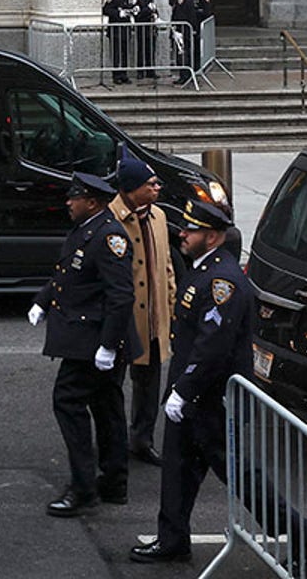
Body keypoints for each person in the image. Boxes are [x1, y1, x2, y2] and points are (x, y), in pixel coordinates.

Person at [131, 201, 307, 571]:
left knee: (237, 473)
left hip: (213, 399)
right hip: (194, 394)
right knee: (178, 467)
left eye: (191, 230)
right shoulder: (204, 270)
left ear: (213, 236)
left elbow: (213, 346)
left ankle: (302, 532)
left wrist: (184, 391)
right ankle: (172, 538)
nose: (182, 235)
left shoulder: (223, 281)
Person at [30, 172, 136, 517]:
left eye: (73, 197)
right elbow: (68, 273)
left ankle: (83, 487)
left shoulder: (108, 237)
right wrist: (44, 300)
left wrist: (107, 346)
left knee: (68, 401)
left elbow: (120, 297)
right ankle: (113, 481)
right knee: (106, 407)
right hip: (90, 338)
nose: (67, 202)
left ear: (91, 201)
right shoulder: (86, 229)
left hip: (94, 341)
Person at [110, 151, 175, 466]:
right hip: (123, 321)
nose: (157, 188)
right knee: (111, 385)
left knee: (149, 385)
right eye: (150, 184)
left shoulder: (159, 217)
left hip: (153, 319)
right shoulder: (111, 219)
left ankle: (142, 439)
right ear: (131, 188)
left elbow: (167, 268)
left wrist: (171, 308)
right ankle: (111, 441)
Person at [101, 0, 136, 85]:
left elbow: (127, 8)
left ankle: (124, 74)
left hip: (125, 29)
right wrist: (118, 13)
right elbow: (105, 10)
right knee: (117, 54)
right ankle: (116, 75)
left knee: (125, 53)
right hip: (116, 31)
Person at [171, 0, 198, 85]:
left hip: (183, 30)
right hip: (185, 30)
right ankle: (186, 75)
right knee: (184, 53)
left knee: (182, 54)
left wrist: (177, 28)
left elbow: (180, 16)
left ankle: (184, 76)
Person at [133, 0, 158, 79]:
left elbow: (154, 10)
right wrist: (148, 9)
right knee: (141, 50)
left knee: (151, 50)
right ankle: (140, 71)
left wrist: (156, 15)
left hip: (151, 28)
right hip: (142, 28)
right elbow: (137, 14)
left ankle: (150, 70)